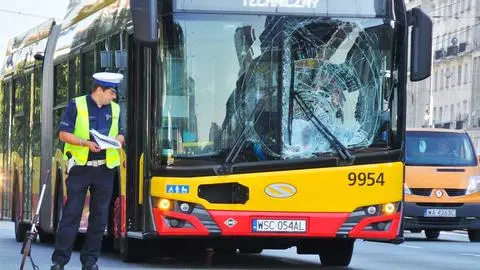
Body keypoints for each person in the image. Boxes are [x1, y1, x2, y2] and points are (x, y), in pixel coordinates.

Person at [50, 72, 125, 270]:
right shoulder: (77, 105)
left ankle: (90, 262)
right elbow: (64, 134)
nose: (114, 96)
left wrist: (118, 140)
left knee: (99, 219)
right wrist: (85, 143)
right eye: (111, 92)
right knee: (71, 215)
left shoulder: (116, 109)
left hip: (105, 170)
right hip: (80, 169)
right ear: (99, 90)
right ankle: (59, 261)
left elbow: (121, 134)